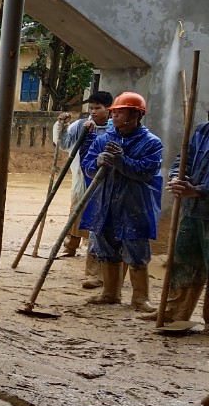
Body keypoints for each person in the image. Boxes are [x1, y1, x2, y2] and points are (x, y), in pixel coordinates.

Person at [79, 91, 163, 312]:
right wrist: (97, 161)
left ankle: (140, 298)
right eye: (114, 112)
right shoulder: (104, 139)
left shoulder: (151, 143)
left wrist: (120, 161)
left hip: (134, 205)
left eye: (120, 112)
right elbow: (87, 166)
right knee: (107, 249)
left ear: (135, 114)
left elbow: (146, 171)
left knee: (136, 251)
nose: (114, 116)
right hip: (105, 202)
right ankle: (110, 293)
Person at [55, 90, 113, 287]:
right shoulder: (82, 125)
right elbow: (63, 143)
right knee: (77, 210)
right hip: (82, 177)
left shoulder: (115, 129)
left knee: (99, 220)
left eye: (98, 108)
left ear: (109, 110)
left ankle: (99, 264)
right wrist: (62, 126)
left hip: (106, 183)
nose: (94, 112)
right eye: (91, 108)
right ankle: (71, 245)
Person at [162, 108, 209, 327]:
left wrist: (199, 190)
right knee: (183, 262)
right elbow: (184, 158)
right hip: (192, 211)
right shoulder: (202, 131)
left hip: (203, 204)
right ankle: (175, 312)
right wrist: (176, 176)